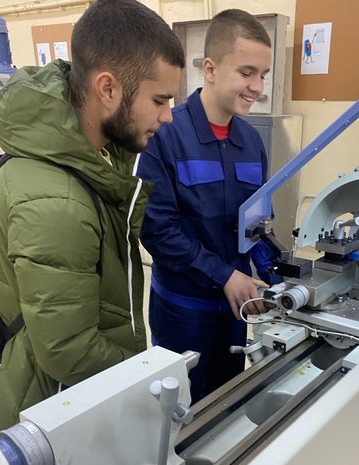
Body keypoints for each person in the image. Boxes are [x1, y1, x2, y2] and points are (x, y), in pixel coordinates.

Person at [0, 0, 184, 430]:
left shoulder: (96, 156)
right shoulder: (57, 203)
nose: (168, 116)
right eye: (159, 99)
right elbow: (69, 350)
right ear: (107, 89)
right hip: (52, 410)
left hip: (78, 395)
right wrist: (146, 378)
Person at [138, 8, 280, 404]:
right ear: (211, 69)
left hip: (235, 312)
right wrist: (225, 275)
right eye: (247, 72)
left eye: (263, 75)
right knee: (178, 413)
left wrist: (277, 276)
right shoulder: (165, 134)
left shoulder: (251, 141)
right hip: (183, 312)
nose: (257, 87)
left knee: (225, 406)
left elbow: (255, 225)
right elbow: (158, 232)